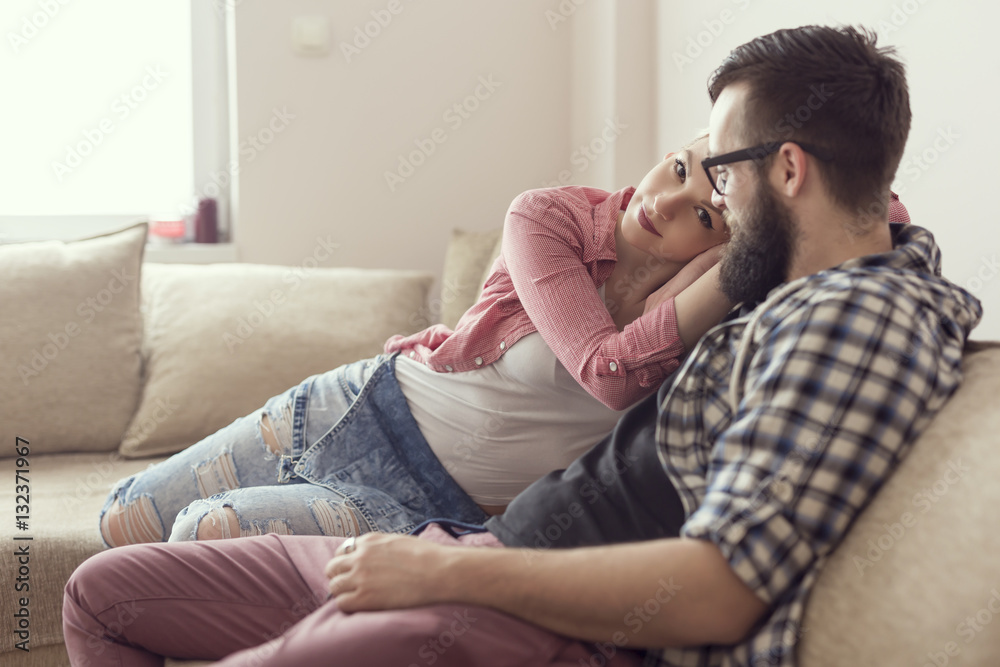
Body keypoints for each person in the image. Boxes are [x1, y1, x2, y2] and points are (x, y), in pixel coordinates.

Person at [64, 25, 982, 667]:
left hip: (511, 597)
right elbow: (869, 212)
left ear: (786, 170)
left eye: (724, 178)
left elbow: (726, 584)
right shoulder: (790, 277)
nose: (708, 197)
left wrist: (450, 567)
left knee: (181, 558)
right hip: (440, 500)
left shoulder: (849, 316)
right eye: (687, 164)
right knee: (98, 585)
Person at [98, 134, 733, 547]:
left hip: (436, 509)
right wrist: (726, 256)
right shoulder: (550, 216)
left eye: (703, 214)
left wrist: (720, 268)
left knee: (201, 535)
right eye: (678, 167)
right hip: (359, 409)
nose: (665, 202)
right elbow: (607, 371)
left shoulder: (709, 310)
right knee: (123, 522)